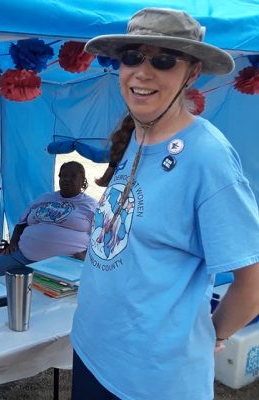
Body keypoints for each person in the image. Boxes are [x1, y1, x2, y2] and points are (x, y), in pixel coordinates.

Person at [70, 8, 259, 400]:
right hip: (93, 352)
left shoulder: (208, 158)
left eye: (163, 60)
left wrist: (213, 333)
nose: (142, 71)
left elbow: (252, 284)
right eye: (132, 56)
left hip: (153, 380)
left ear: (191, 72)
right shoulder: (139, 135)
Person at [0, 161, 97, 277]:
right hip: (22, 257)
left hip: (64, 263)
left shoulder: (91, 205)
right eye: (63, 176)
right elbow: (22, 223)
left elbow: (103, 236)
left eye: (72, 176)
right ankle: (1, 296)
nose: (67, 179)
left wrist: (86, 254)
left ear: (83, 180)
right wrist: (13, 243)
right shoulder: (45, 198)